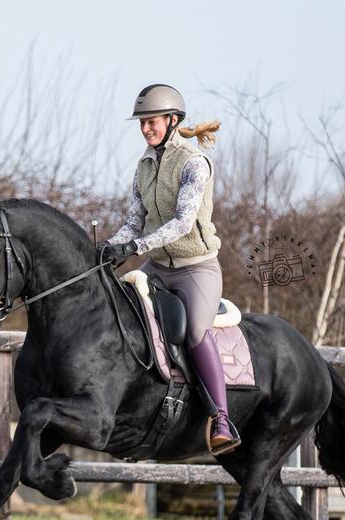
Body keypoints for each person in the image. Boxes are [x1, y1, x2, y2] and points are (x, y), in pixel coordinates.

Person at [98, 83, 240, 454]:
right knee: (121, 308)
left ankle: (221, 418)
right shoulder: (144, 165)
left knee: (194, 330)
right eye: (142, 123)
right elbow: (134, 221)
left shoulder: (194, 163)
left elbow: (181, 223)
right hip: (158, 266)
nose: (146, 129)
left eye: (152, 121)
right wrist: (111, 247)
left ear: (173, 120)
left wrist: (136, 246)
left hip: (196, 268)